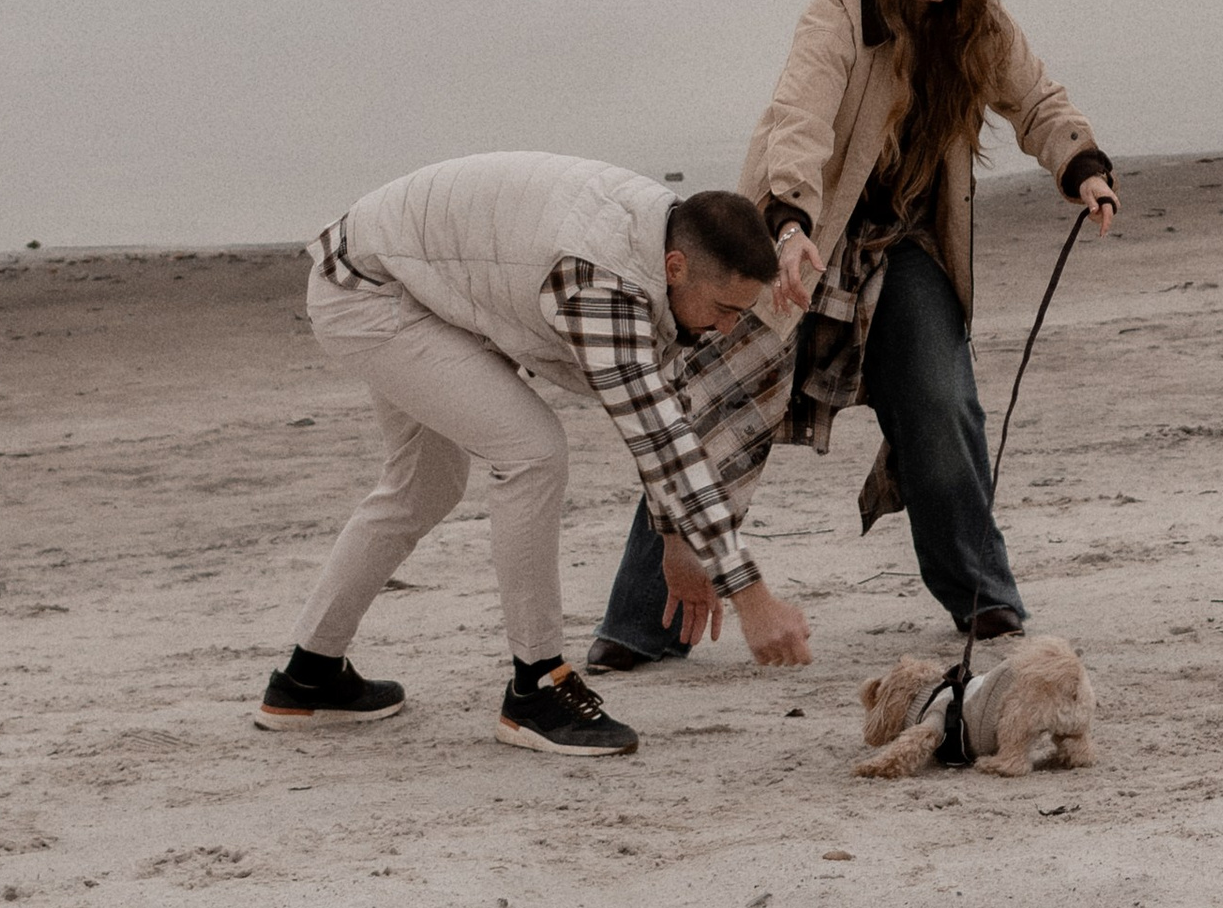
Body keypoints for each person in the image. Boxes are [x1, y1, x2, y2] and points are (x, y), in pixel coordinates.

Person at [590, 0, 1115, 673]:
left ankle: (981, 596)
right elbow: (797, 120)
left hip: (905, 249)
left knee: (943, 404)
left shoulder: (979, 20)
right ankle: (640, 622)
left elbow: (1038, 100)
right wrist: (789, 221)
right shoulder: (839, 11)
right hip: (803, 239)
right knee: (714, 406)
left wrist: (1081, 167)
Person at [260, 152, 811, 757]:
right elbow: (659, 439)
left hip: (410, 277)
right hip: (369, 288)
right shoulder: (602, 280)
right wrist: (751, 597)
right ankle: (537, 687)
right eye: (726, 310)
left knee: (426, 484)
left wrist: (679, 543)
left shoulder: (666, 238)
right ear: (676, 267)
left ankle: (308, 677)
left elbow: (665, 398)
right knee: (532, 451)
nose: (730, 330)